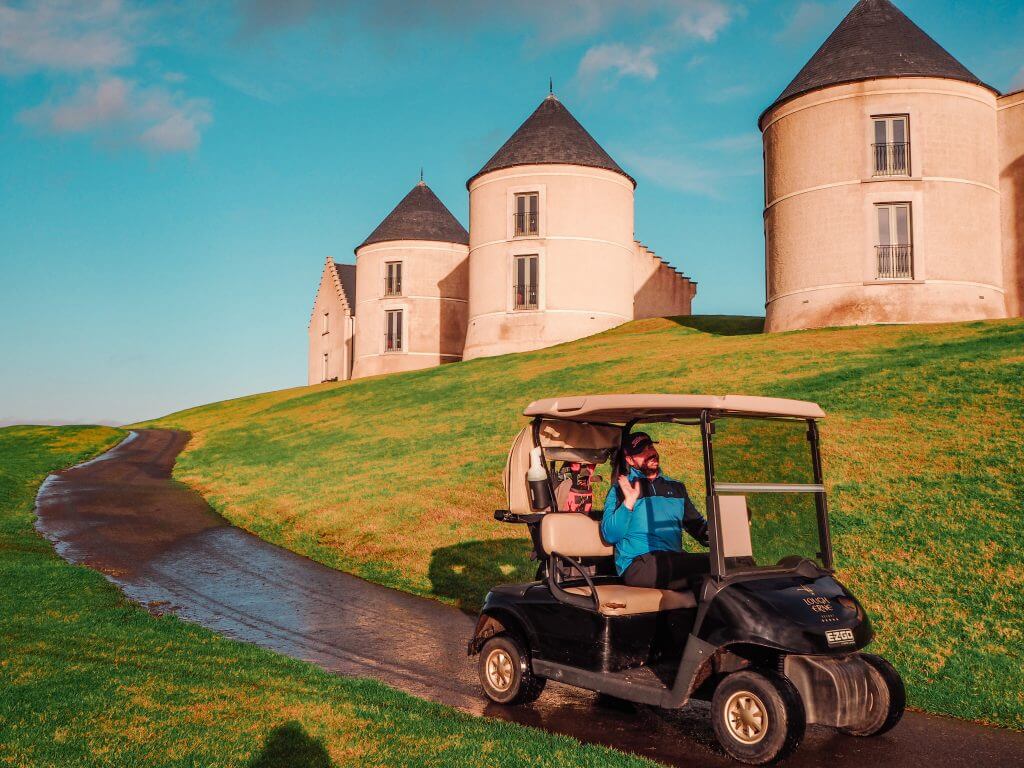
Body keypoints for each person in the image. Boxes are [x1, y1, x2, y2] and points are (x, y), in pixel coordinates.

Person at [600, 431, 710, 590]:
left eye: (650, 446)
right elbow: (610, 535)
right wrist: (628, 504)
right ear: (630, 460)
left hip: (672, 560)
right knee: (708, 566)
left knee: (732, 566)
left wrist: (720, 531)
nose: (650, 453)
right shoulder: (620, 490)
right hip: (638, 565)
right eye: (641, 451)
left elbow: (698, 528)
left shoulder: (676, 488)